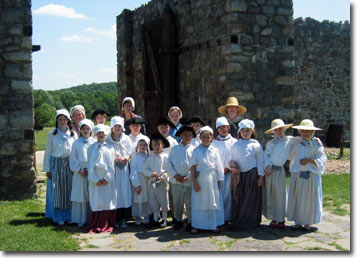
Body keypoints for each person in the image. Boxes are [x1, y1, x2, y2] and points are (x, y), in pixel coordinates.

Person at [287, 119, 327, 231]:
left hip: (311, 176)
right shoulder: (295, 142)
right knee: (298, 198)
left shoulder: (316, 144)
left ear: (312, 132)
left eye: (308, 131)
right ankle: (298, 221)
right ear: (300, 131)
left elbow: (322, 158)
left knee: (309, 200)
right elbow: (287, 150)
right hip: (298, 174)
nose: (306, 133)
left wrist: (309, 160)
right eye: (303, 130)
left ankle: (308, 222)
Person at [228, 119, 264, 231]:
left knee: (251, 199)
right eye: (243, 130)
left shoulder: (256, 145)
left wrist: (261, 177)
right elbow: (230, 159)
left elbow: (260, 162)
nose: (245, 133)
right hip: (239, 176)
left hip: (251, 176)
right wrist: (233, 168)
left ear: (252, 131)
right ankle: (239, 220)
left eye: (247, 130)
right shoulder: (235, 145)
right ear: (239, 132)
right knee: (239, 199)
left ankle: (251, 221)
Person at [189, 126, 224, 234]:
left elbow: (219, 166)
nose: (205, 139)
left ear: (211, 138)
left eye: (207, 137)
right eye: (203, 137)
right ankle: (197, 225)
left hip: (212, 179)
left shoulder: (214, 150)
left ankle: (212, 225)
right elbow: (193, 166)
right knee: (199, 201)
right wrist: (194, 182)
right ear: (200, 137)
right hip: (200, 179)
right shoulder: (196, 150)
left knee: (211, 201)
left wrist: (219, 181)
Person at [43, 109, 75, 225]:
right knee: (58, 191)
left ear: (68, 120)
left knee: (69, 189)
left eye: (64, 119)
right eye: (60, 119)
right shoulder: (52, 134)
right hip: (56, 163)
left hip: (68, 163)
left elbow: (75, 151)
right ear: (57, 121)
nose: (62, 121)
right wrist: (47, 169)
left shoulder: (72, 134)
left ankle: (69, 215)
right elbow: (48, 152)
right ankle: (58, 216)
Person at [85, 124, 117, 233]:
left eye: (103, 132)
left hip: (107, 178)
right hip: (96, 178)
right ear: (95, 134)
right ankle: (97, 222)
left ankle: (107, 222)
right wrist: (95, 179)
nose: (101, 134)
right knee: (97, 199)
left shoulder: (110, 148)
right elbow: (90, 165)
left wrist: (107, 178)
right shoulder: (91, 148)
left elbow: (111, 165)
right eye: (99, 133)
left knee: (107, 199)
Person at [262, 119, 294, 228]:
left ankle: (281, 219)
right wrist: (267, 167)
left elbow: (301, 141)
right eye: (276, 129)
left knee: (280, 194)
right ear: (273, 131)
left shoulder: (290, 140)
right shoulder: (271, 143)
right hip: (270, 171)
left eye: (280, 128)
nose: (279, 131)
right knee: (271, 194)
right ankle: (273, 218)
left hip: (279, 170)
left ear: (284, 129)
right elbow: (266, 156)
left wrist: (316, 140)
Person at [165, 125, 196, 231]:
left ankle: (191, 221)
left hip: (188, 181)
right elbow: (168, 163)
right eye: (185, 135)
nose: (187, 137)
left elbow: (194, 165)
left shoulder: (194, 150)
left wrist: (187, 176)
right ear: (180, 135)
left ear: (192, 136)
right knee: (177, 201)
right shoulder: (175, 149)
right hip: (176, 180)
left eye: (189, 135)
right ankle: (178, 220)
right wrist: (175, 175)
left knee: (189, 201)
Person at [105, 116, 134, 229]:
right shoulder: (108, 139)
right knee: (115, 192)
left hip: (124, 168)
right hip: (114, 169)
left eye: (119, 126)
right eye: (115, 126)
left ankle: (124, 218)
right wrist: (113, 159)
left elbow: (131, 150)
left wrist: (127, 157)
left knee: (124, 192)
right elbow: (105, 152)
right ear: (112, 127)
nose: (117, 128)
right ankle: (116, 218)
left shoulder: (126, 138)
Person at [69, 119, 95, 227]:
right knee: (80, 195)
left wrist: (91, 169)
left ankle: (90, 218)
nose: (85, 130)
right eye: (83, 129)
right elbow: (73, 158)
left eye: (87, 128)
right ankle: (80, 218)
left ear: (90, 130)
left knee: (90, 194)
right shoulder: (76, 143)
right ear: (80, 130)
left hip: (90, 171)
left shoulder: (94, 142)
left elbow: (96, 157)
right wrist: (79, 170)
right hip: (80, 171)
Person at [212, 117, 237, 224]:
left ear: (228, 127)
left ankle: (227, 217)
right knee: (217, 195)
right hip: (216, 173)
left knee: (227, 195)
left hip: (228, 172)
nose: (223, 130)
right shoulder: (213, 142)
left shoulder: (234, 141)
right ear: (217, 129)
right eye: (220, 128)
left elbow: (234, 156)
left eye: (225, 127)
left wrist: (227, 167)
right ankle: (217, 218)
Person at [143, 133, 170, 228]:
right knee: (153, 201)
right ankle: (155, 218)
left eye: (158, 145)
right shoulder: (150, 157)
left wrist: (163, 177)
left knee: (163, 200)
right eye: (154, 145)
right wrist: (151, 173)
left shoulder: (166, 157)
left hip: (162, 183)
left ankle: (165, 219)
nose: (157, 147)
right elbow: (145, 169)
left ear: (162, 145)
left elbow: (168, 170)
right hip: (152, 183)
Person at [130, 138, 151, 225]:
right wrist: (136, 184)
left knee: (147, 198)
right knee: (139, 197)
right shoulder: (135, 157)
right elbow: (133, 171)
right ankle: (138, 216)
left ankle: (146, 215)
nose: (142, 147)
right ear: (137, 146)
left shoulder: (148, 157)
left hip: (147, 179)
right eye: (140, 145)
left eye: (144, 145)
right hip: (139, 178)